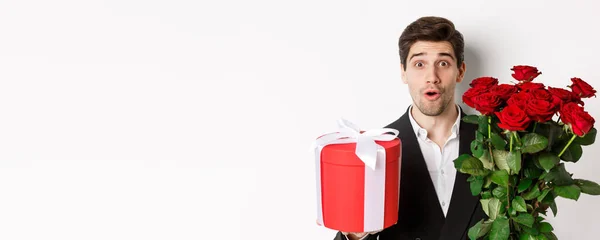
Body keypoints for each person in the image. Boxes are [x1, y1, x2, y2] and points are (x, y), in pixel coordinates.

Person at [334, 16, 486, 240]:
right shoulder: (374, 150)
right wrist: (356, 235)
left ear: (460, 71)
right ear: (403, 72)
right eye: (419, 64)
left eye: (443, 63)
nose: (431, 77)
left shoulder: (494, 141)